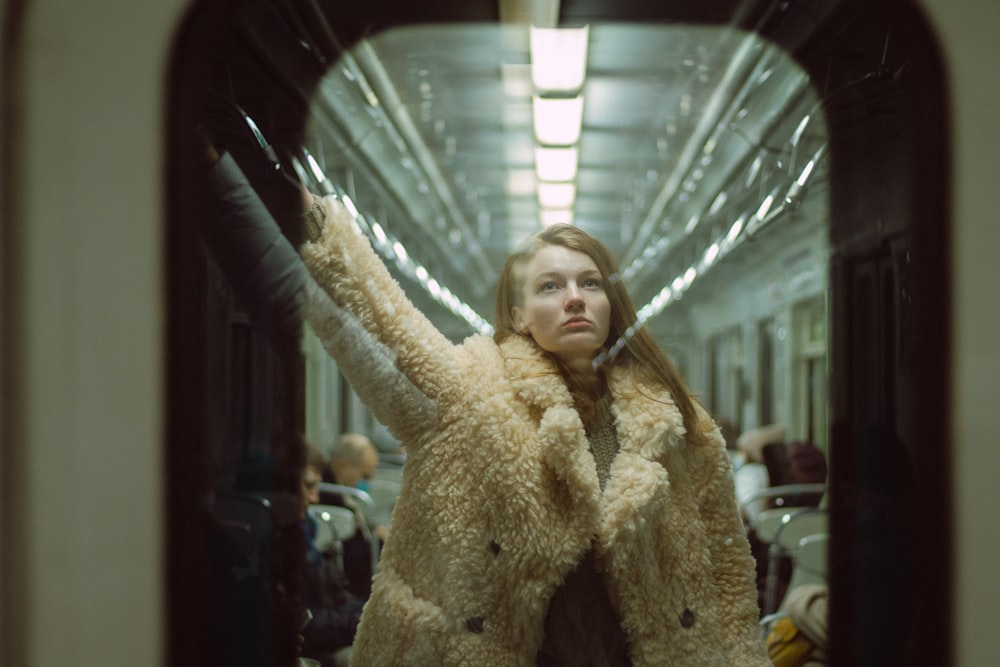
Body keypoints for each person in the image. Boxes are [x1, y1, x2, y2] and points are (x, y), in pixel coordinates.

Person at [295, 194, 770, 666]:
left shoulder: (675, 421)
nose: (575, 297)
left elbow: (728, 578)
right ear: (519, 317)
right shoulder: (471, 393)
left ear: (612, 304)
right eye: (550, 286)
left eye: (590, 282)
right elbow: (384, 324)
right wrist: (312, 220)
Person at [298, 437, 365, 667]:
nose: (315, 497)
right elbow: (307, 625)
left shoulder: (309, 533)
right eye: (308, 486)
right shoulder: (287, 547)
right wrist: (359, 618)